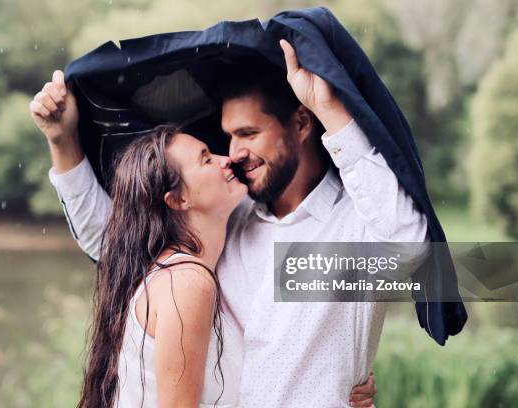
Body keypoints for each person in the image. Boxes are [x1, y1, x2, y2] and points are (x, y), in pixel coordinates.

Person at [31, 39, 421, 406]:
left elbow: (427, 263)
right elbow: (113, 242)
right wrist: (63, 141)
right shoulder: (225, 220)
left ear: (302, 124)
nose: (233, 153)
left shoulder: (357, 223)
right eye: (228, 136)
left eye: (248, 133)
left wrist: (330, 111)